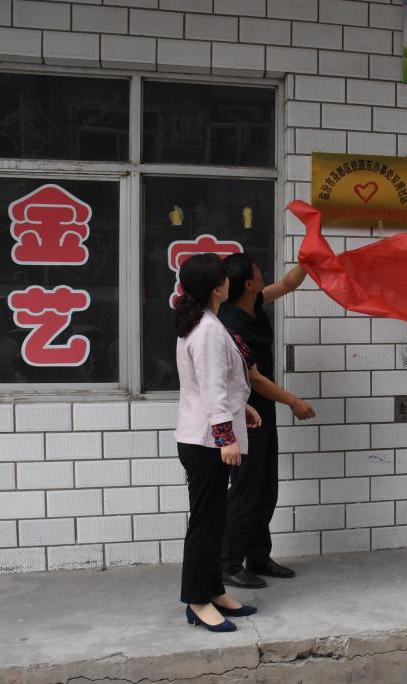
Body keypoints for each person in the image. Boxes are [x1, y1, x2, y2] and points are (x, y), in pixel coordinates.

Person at [173, 252, 262, 633]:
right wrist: (226, 437)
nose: (229, 282)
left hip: (205, 438)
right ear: (216, 288)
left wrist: (242, 409)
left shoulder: (204, 322)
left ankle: (213, 591)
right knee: (205, 525)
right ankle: (197, 601)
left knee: (213, 521)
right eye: (225, 277)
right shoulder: (208, 329)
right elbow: (211, 389)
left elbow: (213, 384)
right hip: (206, 443)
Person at [220, 253, 315, 589]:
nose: (264, 273)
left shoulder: (255, 301)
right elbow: (254, 378)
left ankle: (258, 556)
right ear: (248, 283)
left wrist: (310, 260)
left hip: (264, 411)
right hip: (243, 413)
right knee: (245, 490)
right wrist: (293, 401)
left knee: (265, 488)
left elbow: (288, 284)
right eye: (259, 270)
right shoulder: (230, 323)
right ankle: (228, 564)